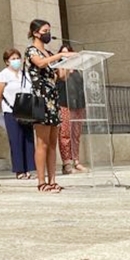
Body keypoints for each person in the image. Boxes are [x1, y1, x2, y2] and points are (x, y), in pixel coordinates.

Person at [25, 19, 76, 193]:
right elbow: (39, 64)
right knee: (42, 142)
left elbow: (59, 76)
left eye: (49, 30)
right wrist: (60, 56)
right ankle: (41, 181)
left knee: (53, 142)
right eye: (45, 30)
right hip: (40, 98)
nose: (48, 34)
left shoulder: (48, 52)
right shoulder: (31, 51)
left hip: (53, 98)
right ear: (36, 33)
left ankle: (53, 179)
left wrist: (67, 64)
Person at [0, 48, 35, 180]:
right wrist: (8, 104)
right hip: (11, 111)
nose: (16, 61)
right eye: (13, 59)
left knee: (28, 139)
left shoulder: (26, 74)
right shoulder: (3, 75)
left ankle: (29, 167)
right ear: (7, 61)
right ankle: (19, 169)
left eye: (18, 58)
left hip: (26, 110)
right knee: (16, 140)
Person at [56, 44, 89, 175]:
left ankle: (76, 160)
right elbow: (62, 77)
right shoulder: (60, 68)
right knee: (65, 134)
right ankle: (67, 163)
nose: (66, 55)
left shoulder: (77, 70)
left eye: (68, 53)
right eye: (63, 53)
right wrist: (65, 63)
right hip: (64, 103)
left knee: (76, 134)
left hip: (78, 104)